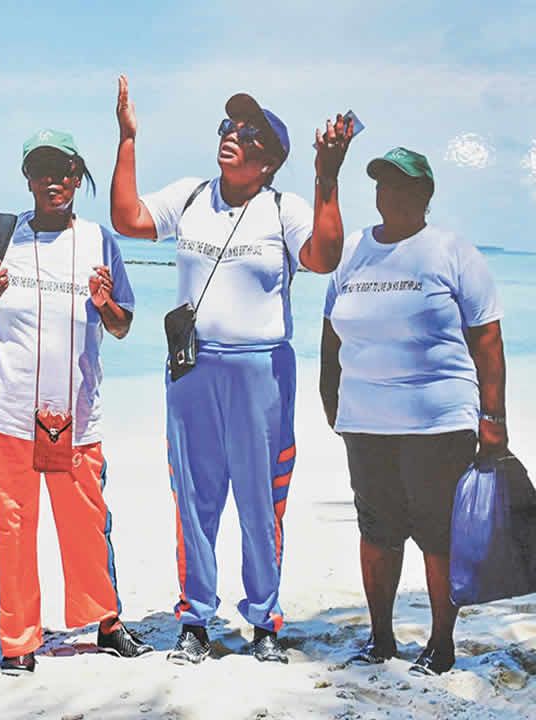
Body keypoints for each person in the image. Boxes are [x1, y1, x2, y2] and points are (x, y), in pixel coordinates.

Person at [110, 75, 354, 664]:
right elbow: (129, 219)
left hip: (261, 371)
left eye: (248, 135)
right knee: (193, 497)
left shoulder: (283, 207)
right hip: (193, 369)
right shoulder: (193, 197)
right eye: (229, 127)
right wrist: (126, 140)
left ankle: (263, 620)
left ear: (268, 163)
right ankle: (195, 620)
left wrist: (327, 179)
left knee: (259, 498)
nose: (232, 137)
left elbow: (323, 257)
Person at [0, 130, 151, 674]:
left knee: (87, 521)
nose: (53, 181)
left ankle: (106, 623)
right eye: (42, 170)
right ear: (27, 178)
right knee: (13, 525)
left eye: (63, 170)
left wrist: (108, 304)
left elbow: (125, 324)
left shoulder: (99, 240)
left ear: (77, 175)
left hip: (76, 413)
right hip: (9, 408)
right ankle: (18, 641)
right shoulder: (1, 233)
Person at [320, 147, 507, 676]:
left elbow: (488, 340)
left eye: (402, 186)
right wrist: (330, 398)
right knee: (376, 529)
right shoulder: (354, 249)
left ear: (425, 196)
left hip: (438, 421)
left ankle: (441, 644)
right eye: (382, 184)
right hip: (367, 421)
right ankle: (381, 640)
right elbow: (330, 331)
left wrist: (493, 418)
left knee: (436, 532)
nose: (389, 194)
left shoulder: (451, 251)